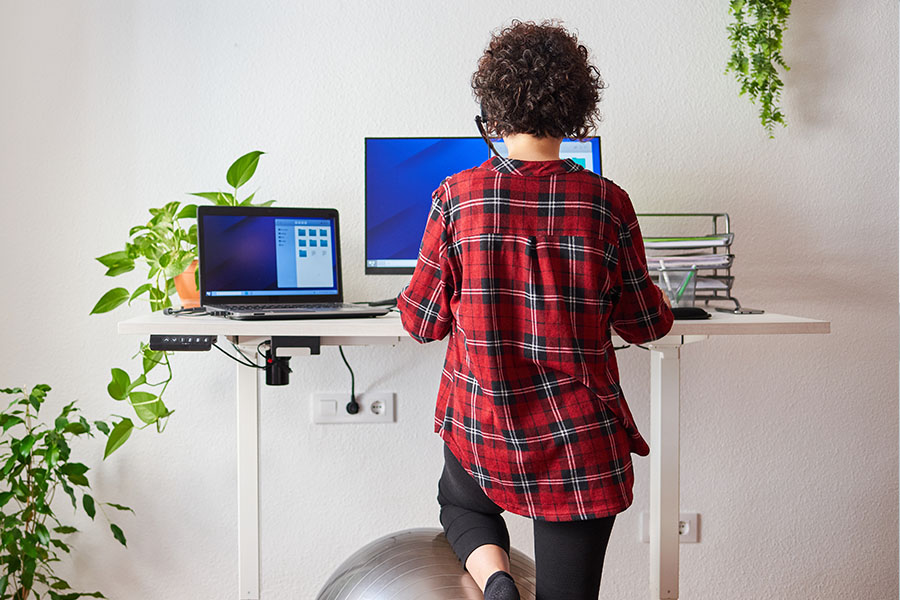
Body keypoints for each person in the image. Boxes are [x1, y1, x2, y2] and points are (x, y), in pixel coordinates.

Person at [396, 20, 674, 600]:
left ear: (492, 112)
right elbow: (645, 324)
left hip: (484, 423)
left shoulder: (457, 198)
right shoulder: (608, 203)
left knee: (461, 501)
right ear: (576, 110)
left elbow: (421, 323)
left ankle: (497, 581)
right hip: (578, 442)